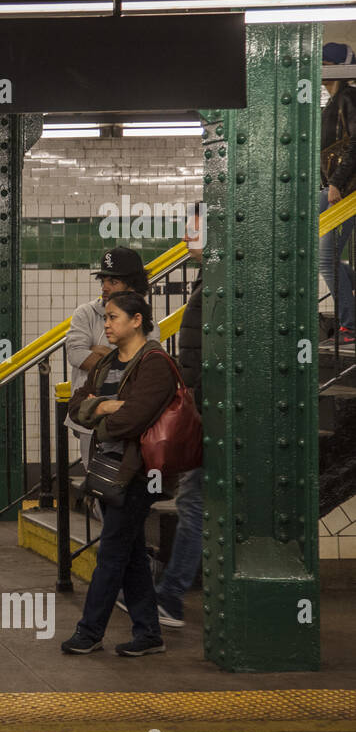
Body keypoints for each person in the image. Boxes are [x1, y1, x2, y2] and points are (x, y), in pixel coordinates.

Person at [62, 291, 178, 657]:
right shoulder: (108, 361)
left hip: (139, 473)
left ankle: (90, 630)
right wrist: (106, 407)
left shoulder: (155, 363)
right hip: (110, 468)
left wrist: (100, 418)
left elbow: (133, 419)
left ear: (136, 320)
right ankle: (148, 633)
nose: (106, 325)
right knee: (129, 554)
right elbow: (76, 405)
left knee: (112, 551)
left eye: (112, 318)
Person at [152, 209, 205, 628]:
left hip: (208, 415)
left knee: (193, 504)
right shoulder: (211, 279)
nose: (187, 235)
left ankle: (170, 597)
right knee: (194, 503)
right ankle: (169, 594)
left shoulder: (220, 283)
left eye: (195, 227)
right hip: (203, 409)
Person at [65, 246, 158, 474]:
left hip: (131, 420)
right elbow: (77, 354)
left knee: (126, 480)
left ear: (132, 284)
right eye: (103, 280)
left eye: (113, 282)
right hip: (92, 418)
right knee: (95, 479)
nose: (105, 287)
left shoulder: (146, 322)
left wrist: (101, 352)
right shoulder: (85, 313)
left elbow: (144, 363)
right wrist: (121, 356)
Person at [320, 41, 356, 346]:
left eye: (326, 65)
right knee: (325, 257)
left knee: (326, 257)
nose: (320, 70)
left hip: (344, 191)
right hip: (332, 189)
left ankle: (349, 325)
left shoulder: (349, 97)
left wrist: (337, 182)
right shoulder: (331, 104)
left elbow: (355, 143)